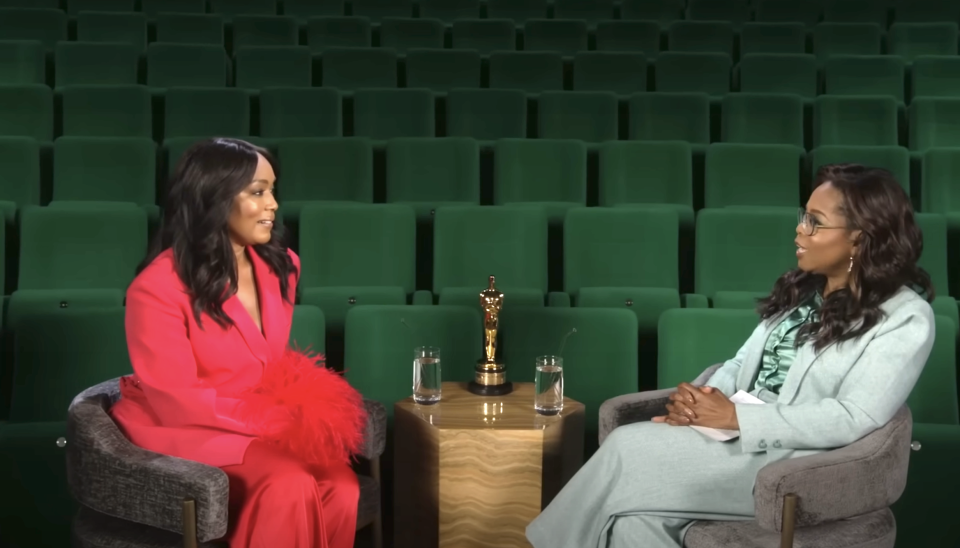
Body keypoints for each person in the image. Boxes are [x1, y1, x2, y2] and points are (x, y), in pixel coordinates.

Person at [526, 163, 937, 548]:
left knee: (626, 446)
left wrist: (736, 418)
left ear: (860, 237)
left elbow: (855, 416)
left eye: (815, 222)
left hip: (795, 466)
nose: (799, 230)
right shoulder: (806, 290)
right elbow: (741, 365)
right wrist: (699, 404)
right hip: (732, 438)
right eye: (802, 215)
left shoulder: (906, 318)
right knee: (636, 524)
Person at [110, 138, 368, 548]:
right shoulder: (155, 288)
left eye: (273, 190)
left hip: (258, 420)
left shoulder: (282, 266)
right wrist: (274, 421)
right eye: (258, 192)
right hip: (189, 424)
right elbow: (176, 400)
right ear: (215, 199)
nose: (274, 205)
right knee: (288, 483)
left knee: (343, 486)